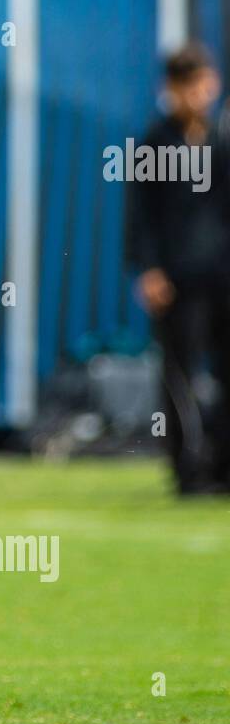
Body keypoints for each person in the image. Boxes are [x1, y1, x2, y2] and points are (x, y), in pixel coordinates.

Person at [126, 42, 230, 496]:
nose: (198, 94)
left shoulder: (222, 140)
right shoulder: (154, 142)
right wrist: (149, 269)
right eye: (187, 85)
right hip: (176, 278)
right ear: (171, 88)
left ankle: (223, 463)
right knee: (180, 376)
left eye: (203, 83)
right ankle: (189, 468)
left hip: (221, 276)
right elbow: (140, 216)